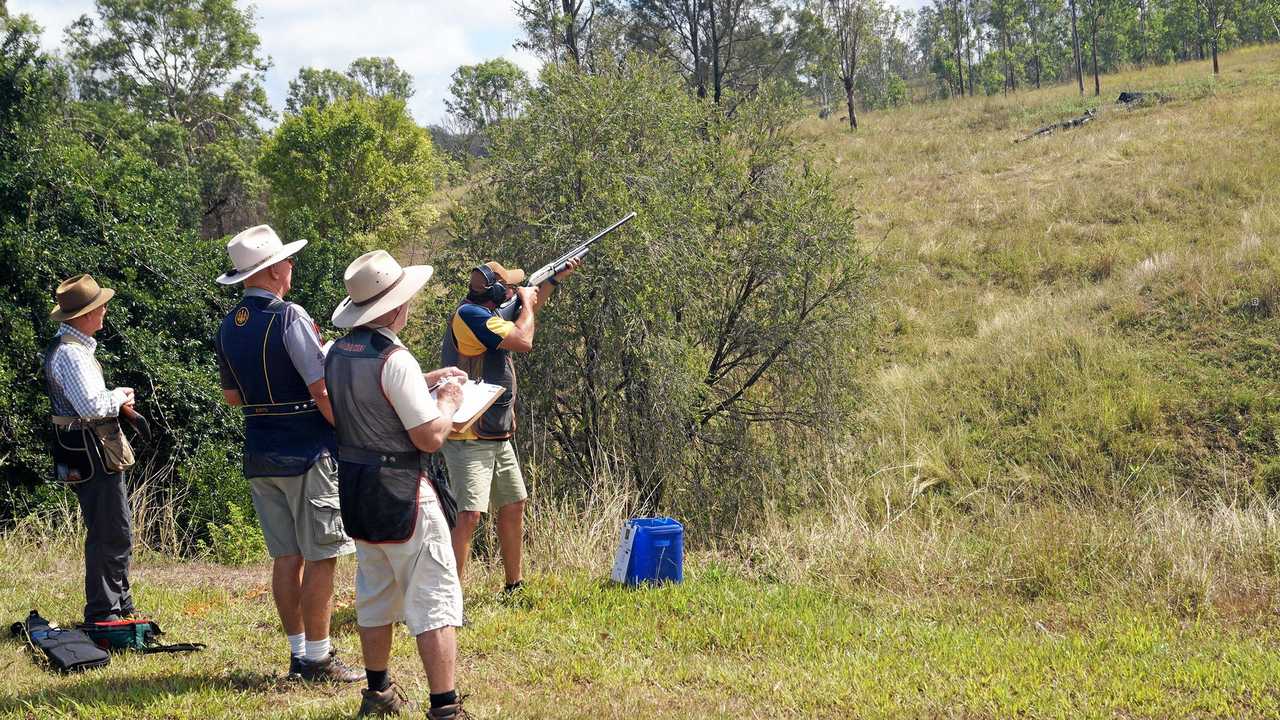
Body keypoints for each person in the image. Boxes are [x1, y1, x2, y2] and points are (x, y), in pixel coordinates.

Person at [325, 249, 469, 718]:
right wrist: (446, 399)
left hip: (356, 485)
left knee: (374, 593)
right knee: (434, 598)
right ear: (394, 306)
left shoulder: (337, 352)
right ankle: (445, 707)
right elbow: (428, 437)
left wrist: (423, 381)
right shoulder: (394, 357)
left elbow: (367, 395)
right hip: (403, 487)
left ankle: (378, 692)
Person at [213, 225, 362, 683]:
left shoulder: (226, 325)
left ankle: (299, 653)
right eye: (288, 261)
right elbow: (319, 386)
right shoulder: (289, 316)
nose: (292, 266)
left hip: (259, 450)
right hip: (306, 450)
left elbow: (233, 398)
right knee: (321, 555)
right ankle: (318, 659)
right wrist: (351, 429)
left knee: (286, 556)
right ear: (274, 269)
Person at [440, 258, 581, 592]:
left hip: (494, 428)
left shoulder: (486, 313)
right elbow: (523, 337)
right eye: (508, 286)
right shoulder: (471, 316)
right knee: (469, 515)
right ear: (495, 290)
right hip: (469, 433)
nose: (512, 290)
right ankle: (450, 600)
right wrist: (528, 303)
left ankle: (513, 585)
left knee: (514, 503)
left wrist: (551, 282)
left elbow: (522, 313)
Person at [43, 274, 139, 623]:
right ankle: (105, 612)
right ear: (85, 314)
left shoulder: (66, 346)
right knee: (111, 531)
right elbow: (92, 408)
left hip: (83, 448)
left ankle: (118, 606)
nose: (105, 310)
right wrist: (119, 396)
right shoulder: (72, 353)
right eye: (100, 306)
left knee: (111, 528)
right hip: (92, 447)